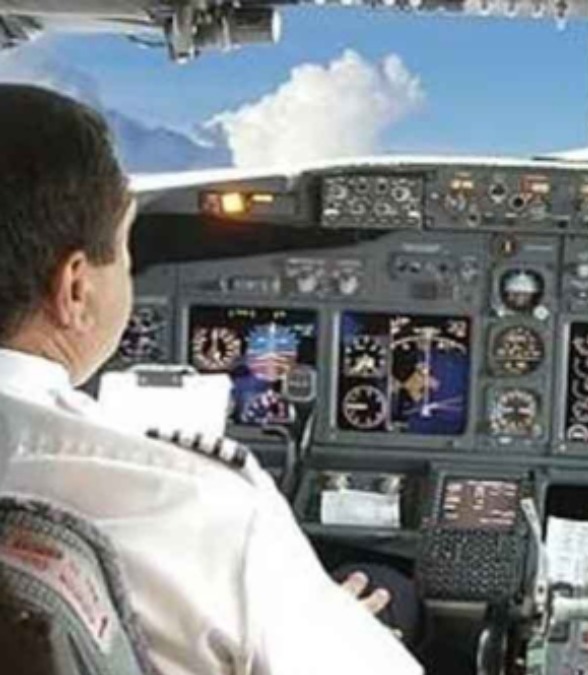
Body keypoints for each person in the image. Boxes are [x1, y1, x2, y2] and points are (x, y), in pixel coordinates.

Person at [0, 84, 423, 674]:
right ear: (74, 288)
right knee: (388, 591)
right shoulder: (195, 505)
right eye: (124, 251)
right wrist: (314, 621)